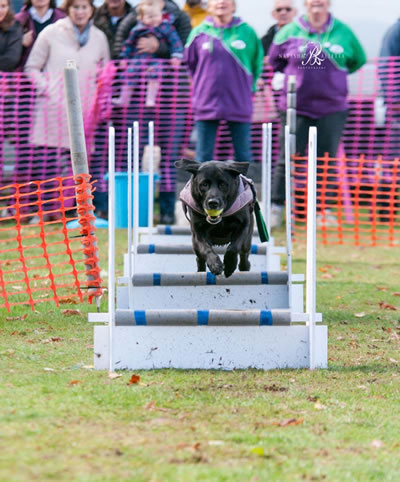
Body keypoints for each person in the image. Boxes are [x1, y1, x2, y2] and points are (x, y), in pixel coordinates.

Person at [268, 0, 366, 228]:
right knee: (287, 158)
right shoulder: (290, 31)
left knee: (325, 160)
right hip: (295, 107)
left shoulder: (344, 31)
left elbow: (356, 60)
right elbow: (275, 60)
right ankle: (276, 207)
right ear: (305, 4)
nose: (317, 4)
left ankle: (323, 210)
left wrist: (331, 77)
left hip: (332, 108)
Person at [24, 0, 110, 219]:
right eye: (75, 7)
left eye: (84, 7)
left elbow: (105, 71)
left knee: (80, 165)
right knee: (49, 165)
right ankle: (46, 211)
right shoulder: (51, 33)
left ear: (91, 10)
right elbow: (32, 67)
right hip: (53, 111)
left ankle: (75, 211)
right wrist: (48, 89)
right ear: (68, 9)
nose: (80, 12)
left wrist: (100, 99)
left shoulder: (99, 37)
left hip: (87, 113)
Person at [184, 0, 264, 165]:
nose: (222, 2)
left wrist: (251, 88)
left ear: (234, 5)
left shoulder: (247, 32)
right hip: (206, 102)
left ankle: (246, 191)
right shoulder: (198, 32)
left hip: (239, 101)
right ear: (210, 5)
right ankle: (201, 190)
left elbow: (257, 64)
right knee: (203, 156)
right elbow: (189, 64)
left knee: (243, 155)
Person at [15, 0, 66, 71]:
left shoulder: (64, 19)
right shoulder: (18, 21)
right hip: (25, 77)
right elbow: (9, 58)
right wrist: (20, 44)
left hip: (57, 75)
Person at [0, 0, 22, 72]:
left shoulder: (15, 27)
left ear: (8, 7)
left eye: (3, 6)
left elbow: (11, 59)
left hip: (4, 79)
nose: (0, 10)